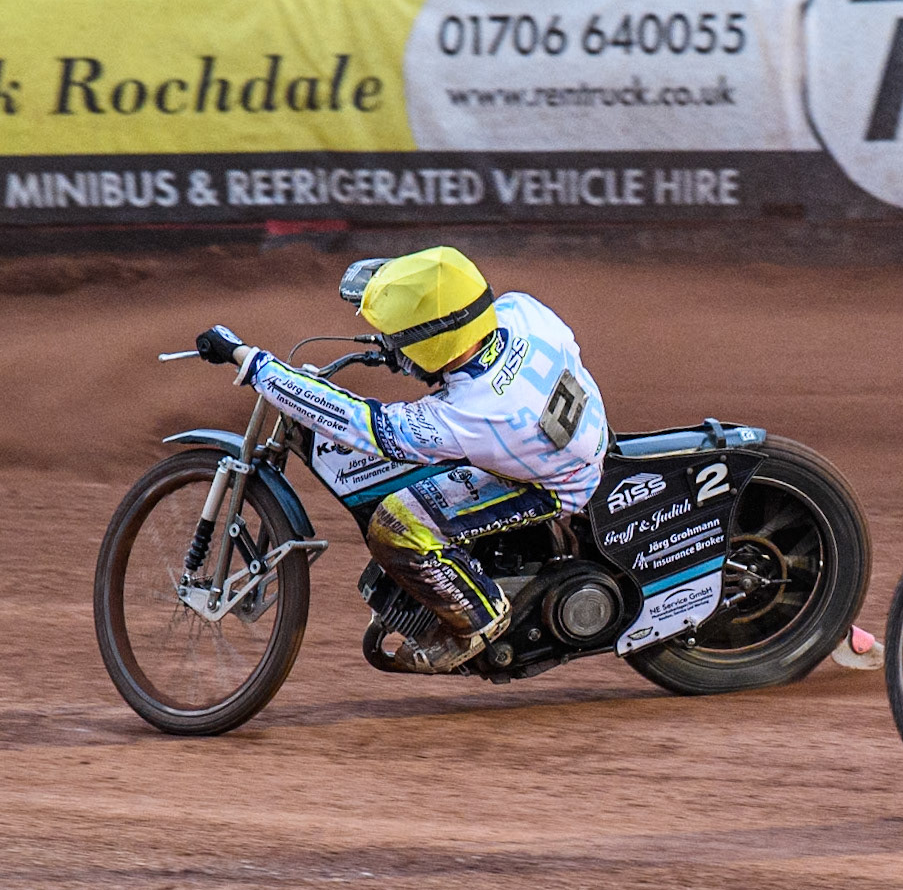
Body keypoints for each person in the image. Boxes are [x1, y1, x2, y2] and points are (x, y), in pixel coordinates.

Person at [195, 246, 610, 673]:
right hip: (570, 437)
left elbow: (362, 423)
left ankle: (478, 619)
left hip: (557, 483)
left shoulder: (470, 411)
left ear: (432, 343)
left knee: (396, 526)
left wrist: (256, 365)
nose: (396, 344)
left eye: (402, 338)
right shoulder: (521, 310)